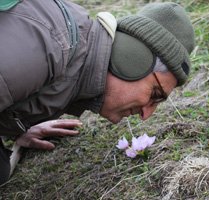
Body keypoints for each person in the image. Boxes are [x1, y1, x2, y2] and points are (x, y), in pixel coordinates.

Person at [0, 0, 195, 185]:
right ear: (132, 60)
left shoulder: (73, 63)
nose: (146, 115)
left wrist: (16, 125)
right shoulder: (47, 49)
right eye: (154, 94)